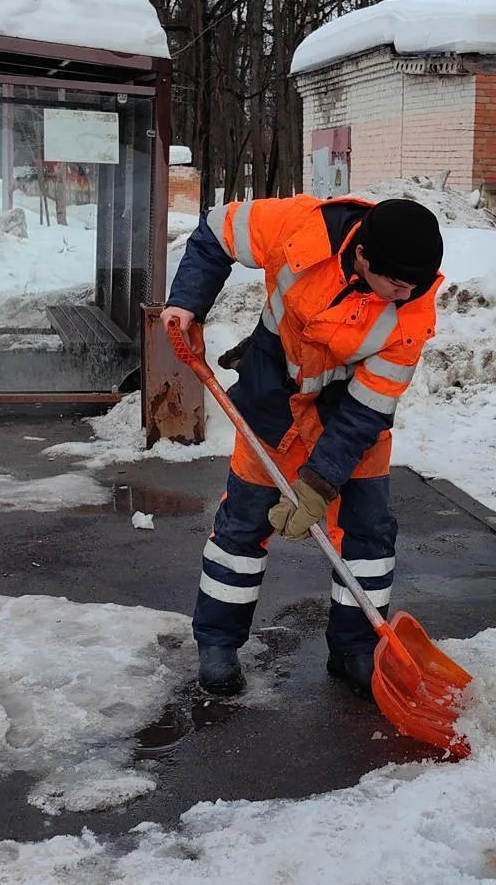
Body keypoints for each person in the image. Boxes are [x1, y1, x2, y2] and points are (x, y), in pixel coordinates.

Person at [162, 194, 444, 699]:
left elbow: (365, 412)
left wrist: (318, 482)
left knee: (369, 536)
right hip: (273, 399)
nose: (409, 294)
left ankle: (357, 649)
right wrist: (188, 302)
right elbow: (214, 233)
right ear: (363, 258)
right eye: (399, 284)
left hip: (349, 419)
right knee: (243, 524)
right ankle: (218, 642)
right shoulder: (299, 228)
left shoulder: (412, 315)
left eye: (417, 285)